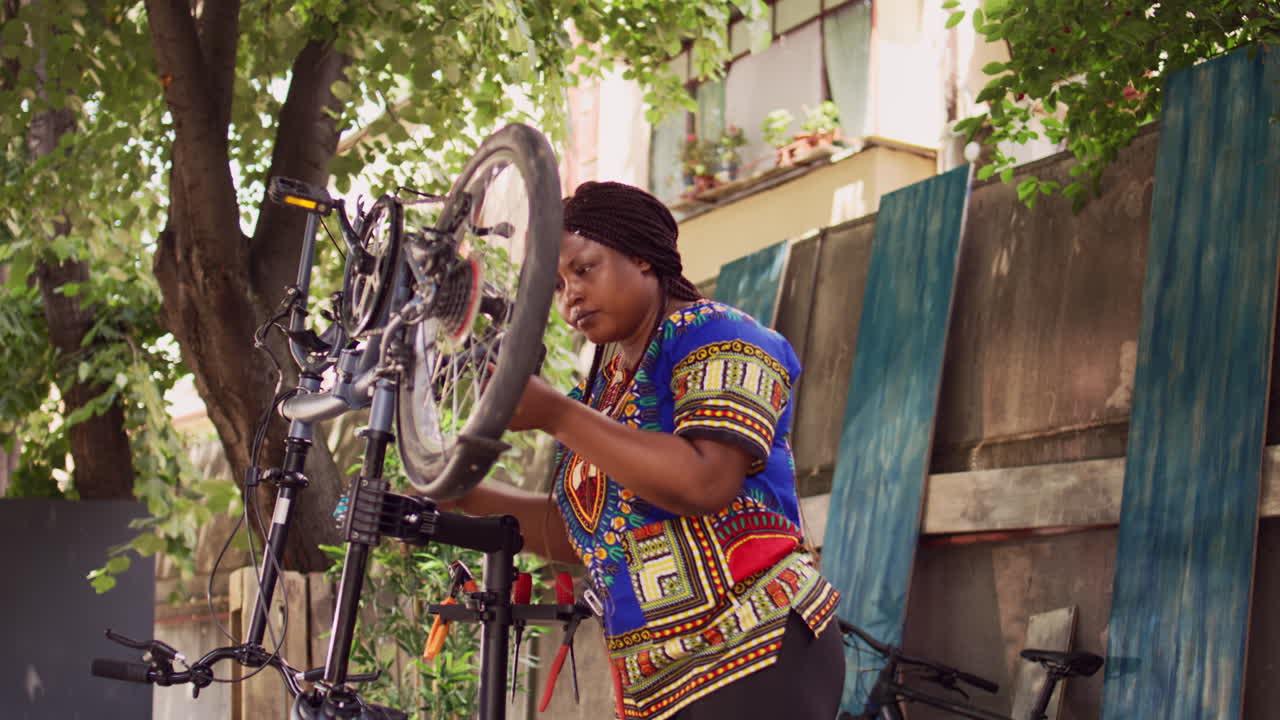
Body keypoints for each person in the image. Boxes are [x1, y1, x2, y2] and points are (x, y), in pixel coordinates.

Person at [453, 180, 845, 720]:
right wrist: (461, 497)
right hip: (659, 679)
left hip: (752, 648)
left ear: (642, 256)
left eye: (584, 269)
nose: (571, 295)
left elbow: (705, 482)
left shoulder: (723, 336)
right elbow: (587, 534)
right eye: (558, 284)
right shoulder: (609, 385)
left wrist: (557, 415)